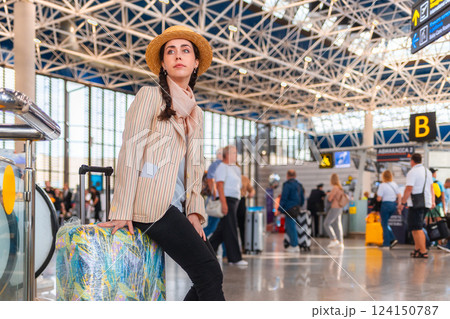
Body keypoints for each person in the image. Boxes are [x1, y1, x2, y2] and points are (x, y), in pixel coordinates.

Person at [99, 25, 224, 300]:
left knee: (212, 274)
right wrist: (121, 209)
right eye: (171, 51)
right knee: (209, 273)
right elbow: (130, 154)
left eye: (185, 50)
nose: (178, 55)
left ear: (195, 63)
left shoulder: (196, 112)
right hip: (152, 206)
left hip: (178, 208)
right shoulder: (150, 96)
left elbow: (195, 166)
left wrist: (195, 211)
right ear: (164, 64)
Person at [209, 145, 248, 266]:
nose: (235, 155)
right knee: (231, 228)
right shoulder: (222, 167)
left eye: (236, 153)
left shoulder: (236, 169)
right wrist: (224, 203)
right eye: (233, 153)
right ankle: (235, 258)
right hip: (227, 199)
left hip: (236, 200)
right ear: (226, 155)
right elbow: (219, 186)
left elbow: (239, 186)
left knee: (222, 229)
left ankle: (207, 251)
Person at [398, 153, 435, 259]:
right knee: (415, 227)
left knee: (417, 228)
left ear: (412, 161)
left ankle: (423, 251)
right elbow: (431, 188)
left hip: (416, 203)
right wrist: (432, 201)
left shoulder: (412, 172)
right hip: (426, 203)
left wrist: (402, 203)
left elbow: (409, 189)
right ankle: (417, 249)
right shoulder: (427, 171)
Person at [278, 169, 304, 253]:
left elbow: (284, 198)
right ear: (295, 176)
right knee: (293, 226)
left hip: (289, 208)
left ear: (287, 176)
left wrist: (280, 209)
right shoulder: (299, 185)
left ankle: (294, 245)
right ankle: (294, 244)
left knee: (290, 227)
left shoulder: (287, 185)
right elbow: (302, 198)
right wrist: (300, 205)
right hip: (296, 207)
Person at [376, 170, 401, 249]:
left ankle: (387, 243)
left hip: (385, 205)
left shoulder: (382, 185)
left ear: (383, 177)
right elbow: (399, 195)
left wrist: (377, 198)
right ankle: (391, 239)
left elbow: (379, 198)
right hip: (393, 205)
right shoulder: (394, 184)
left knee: (384, 224)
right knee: (385, 223)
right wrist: (399, 204)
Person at [203, 148, 223, 237]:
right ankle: (197, 240)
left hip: (222, 199)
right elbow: (210, 180)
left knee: (222, 227)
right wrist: (215, 195)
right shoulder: (215, 165)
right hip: (217, 200)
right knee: (212, 226)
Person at [324, 173, 345, 249]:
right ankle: (340, 242)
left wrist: (328, 195)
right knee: (337, 225)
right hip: (340, 208)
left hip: (334, 208)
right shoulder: (340, 188)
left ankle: (333, 239)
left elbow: (330, 199)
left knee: (326, 223)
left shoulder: (335, 188)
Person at [236, 175, 255, 251]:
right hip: (232, 200)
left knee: (242, 225)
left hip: (241, 201)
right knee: (231, 225)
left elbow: (251, 190)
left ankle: (244, 245)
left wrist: (251, 194)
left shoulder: (244, 178)